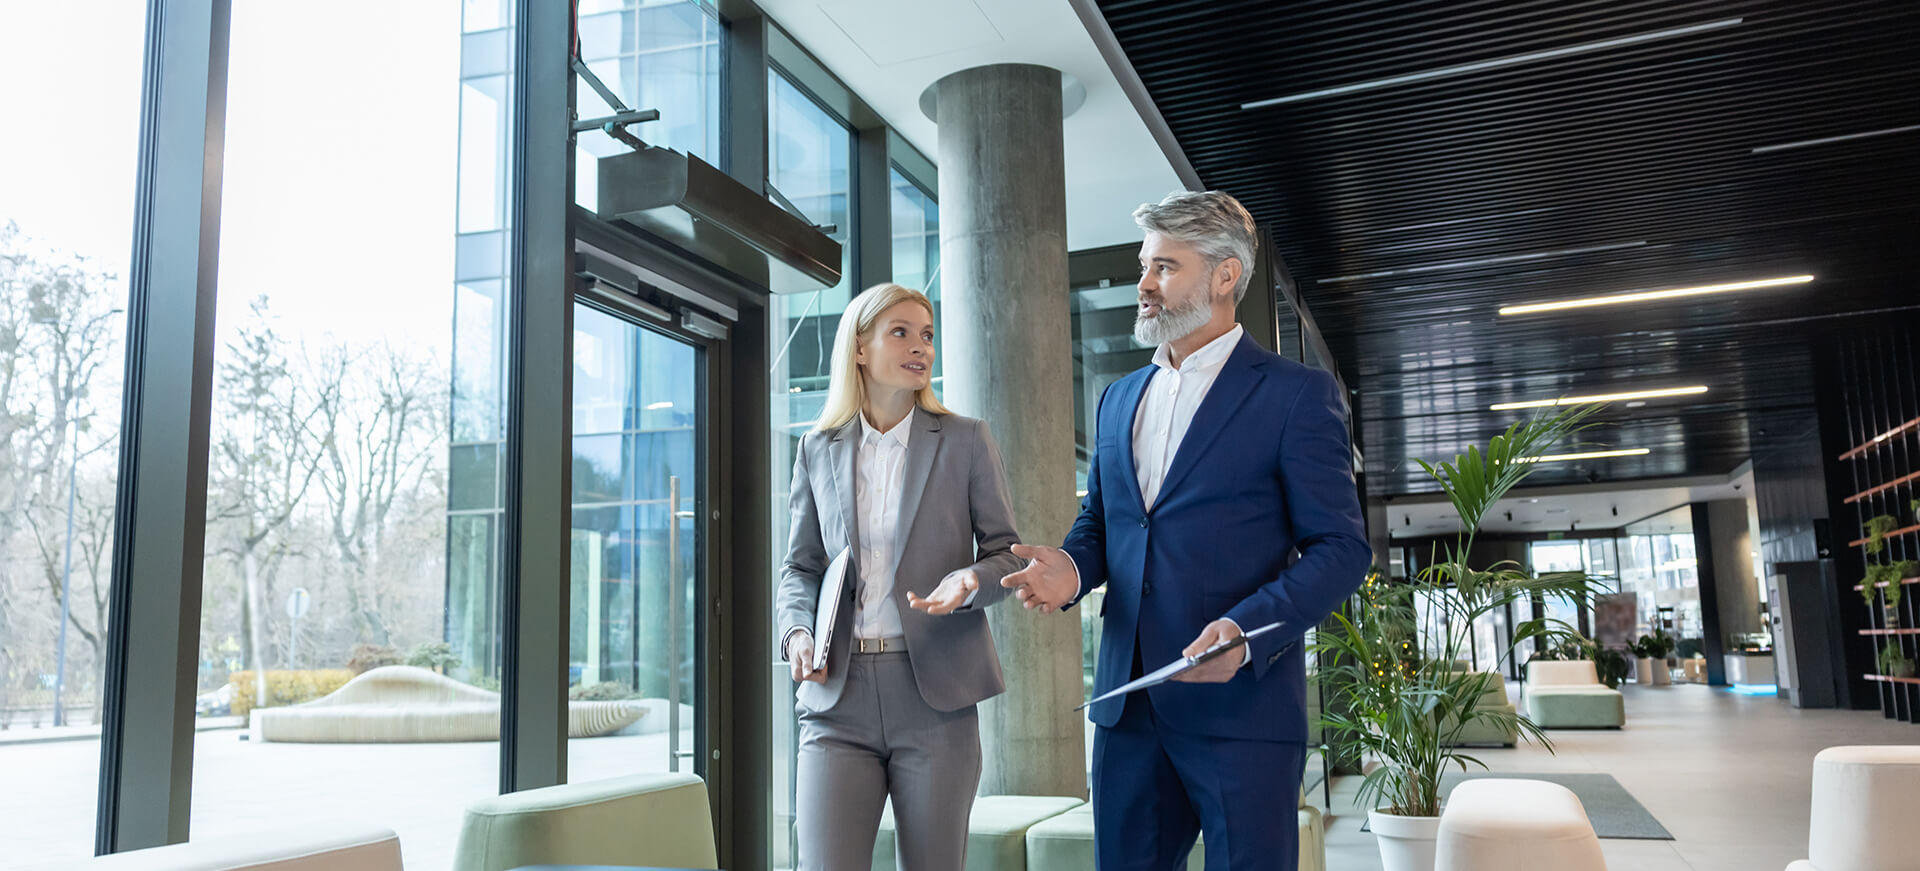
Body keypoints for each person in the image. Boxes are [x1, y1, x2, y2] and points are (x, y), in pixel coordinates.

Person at [1002, 191, 1371, 871]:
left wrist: (1248, 629)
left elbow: (1343, 548)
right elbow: (1105, 525)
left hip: (1244, 714)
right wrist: (1074, 569)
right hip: (1129, 714)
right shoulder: (1118, 398)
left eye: (1165, 267)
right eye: (1146, 266)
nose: (1144, 284)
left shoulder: (1294, 395)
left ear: (1224, 276)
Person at [775, 282, 1025, 871]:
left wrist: (969, 581)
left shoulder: (965, 440)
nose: (921, 347)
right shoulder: (818, 448)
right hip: (836, 696)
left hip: (935, 697)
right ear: (859, 348)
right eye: (902, 332)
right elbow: (800, 566)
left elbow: (1007, 553)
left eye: (928, 334)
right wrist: (796, 634)